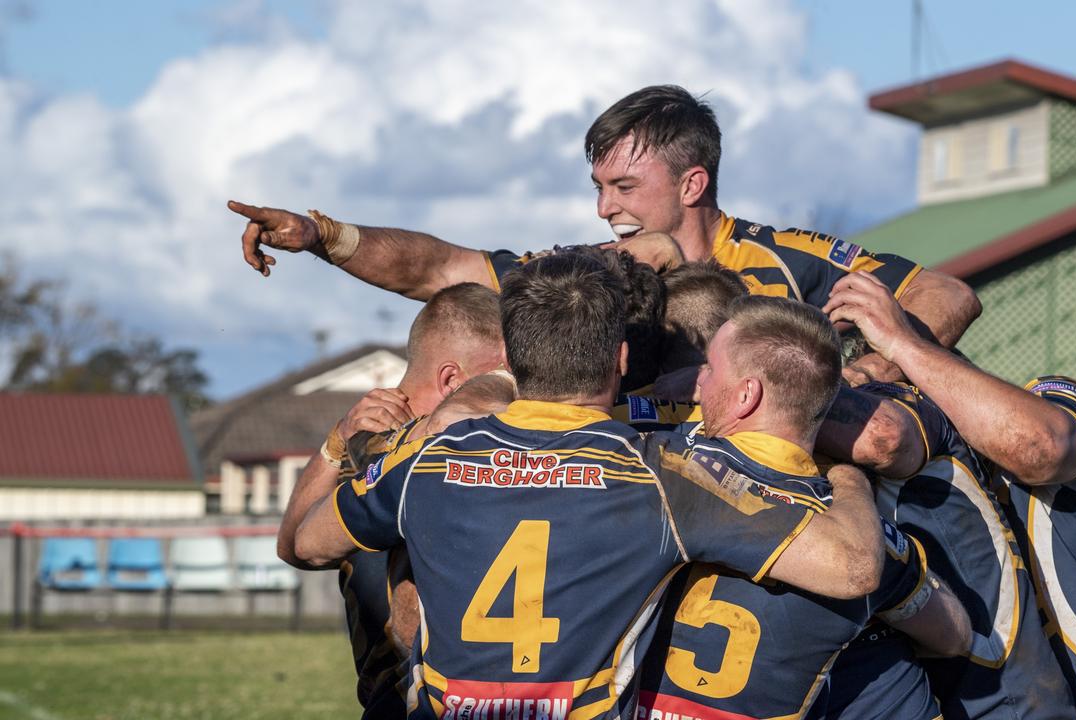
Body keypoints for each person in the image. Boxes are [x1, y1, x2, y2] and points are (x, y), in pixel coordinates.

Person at [292, 252, 888, 718]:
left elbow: (307, 545)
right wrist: (848, 475)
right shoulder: (663, 476)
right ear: (622, 359)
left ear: (514, 359)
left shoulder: (426, 461)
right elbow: (854, 569)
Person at [227, 85, 980, 383]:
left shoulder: (787, 258)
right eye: (597, 186)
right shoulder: (588, 270)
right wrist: (324, 233)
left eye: (623, 187)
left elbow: (946, 295)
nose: (601, 210)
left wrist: (859, 379)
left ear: (693, 183)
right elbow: (439, 269)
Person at [826, 271, 1076, 719]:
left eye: (876, 387)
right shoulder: (920, 473)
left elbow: (1040, 446)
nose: (865, 404)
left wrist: (902, 346)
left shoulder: (1057, 404)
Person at [636, 296, 971, 719]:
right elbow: (955, 635)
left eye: (710, 368)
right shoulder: (861, 535)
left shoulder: (651, 466)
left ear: (746, 396)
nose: (698, 381)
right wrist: (848, 477)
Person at [276, 282, 503, 717]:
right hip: (409, 702)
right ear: (453, 379)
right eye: (499, 376)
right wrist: (335, 444)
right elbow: (293, 548)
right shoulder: (370, 450)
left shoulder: (376, 447)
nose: (511, 392)